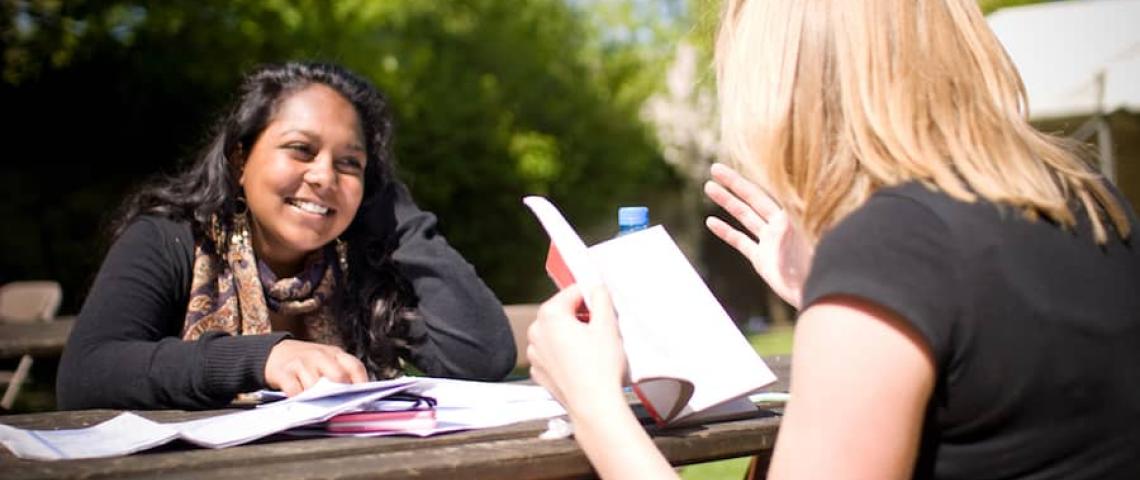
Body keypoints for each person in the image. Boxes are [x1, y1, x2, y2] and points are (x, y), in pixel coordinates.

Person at [526, 0, 1140, 478]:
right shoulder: (1086, 199)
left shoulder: (897, 248)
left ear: (790, 84)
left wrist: (595, 406)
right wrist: (840, 297)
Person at [57, 62, 516, 410]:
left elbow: (484, 358)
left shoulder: (363, 264)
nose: (324, 176)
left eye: (349, 163)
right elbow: (85, 374)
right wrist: (264, 358)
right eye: (301, 149)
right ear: (240, 160)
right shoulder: (168, 240)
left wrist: (398, 215)